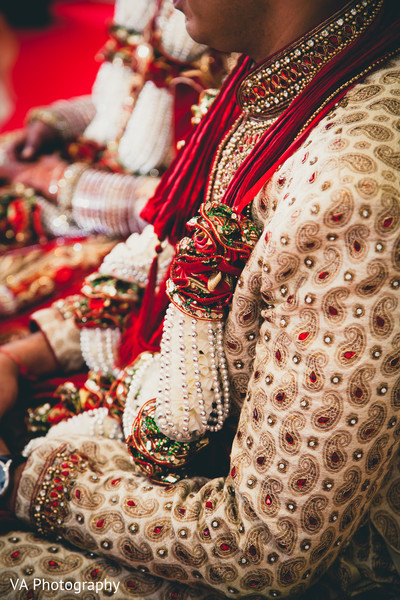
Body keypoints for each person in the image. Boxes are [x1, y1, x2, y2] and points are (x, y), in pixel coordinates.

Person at [0, 0, 399, 598]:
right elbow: (175, 256)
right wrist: (24, 358)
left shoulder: (353, 193)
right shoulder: (275, 67)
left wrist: (13, 481)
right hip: (159, 410)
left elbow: (265, 548)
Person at [0, 0, 222, 318]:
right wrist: (54, 123)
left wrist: (53, 179)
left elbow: (177, 206)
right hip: (88, 175)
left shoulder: (226, 29)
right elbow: (127, 101)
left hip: (135, 226)